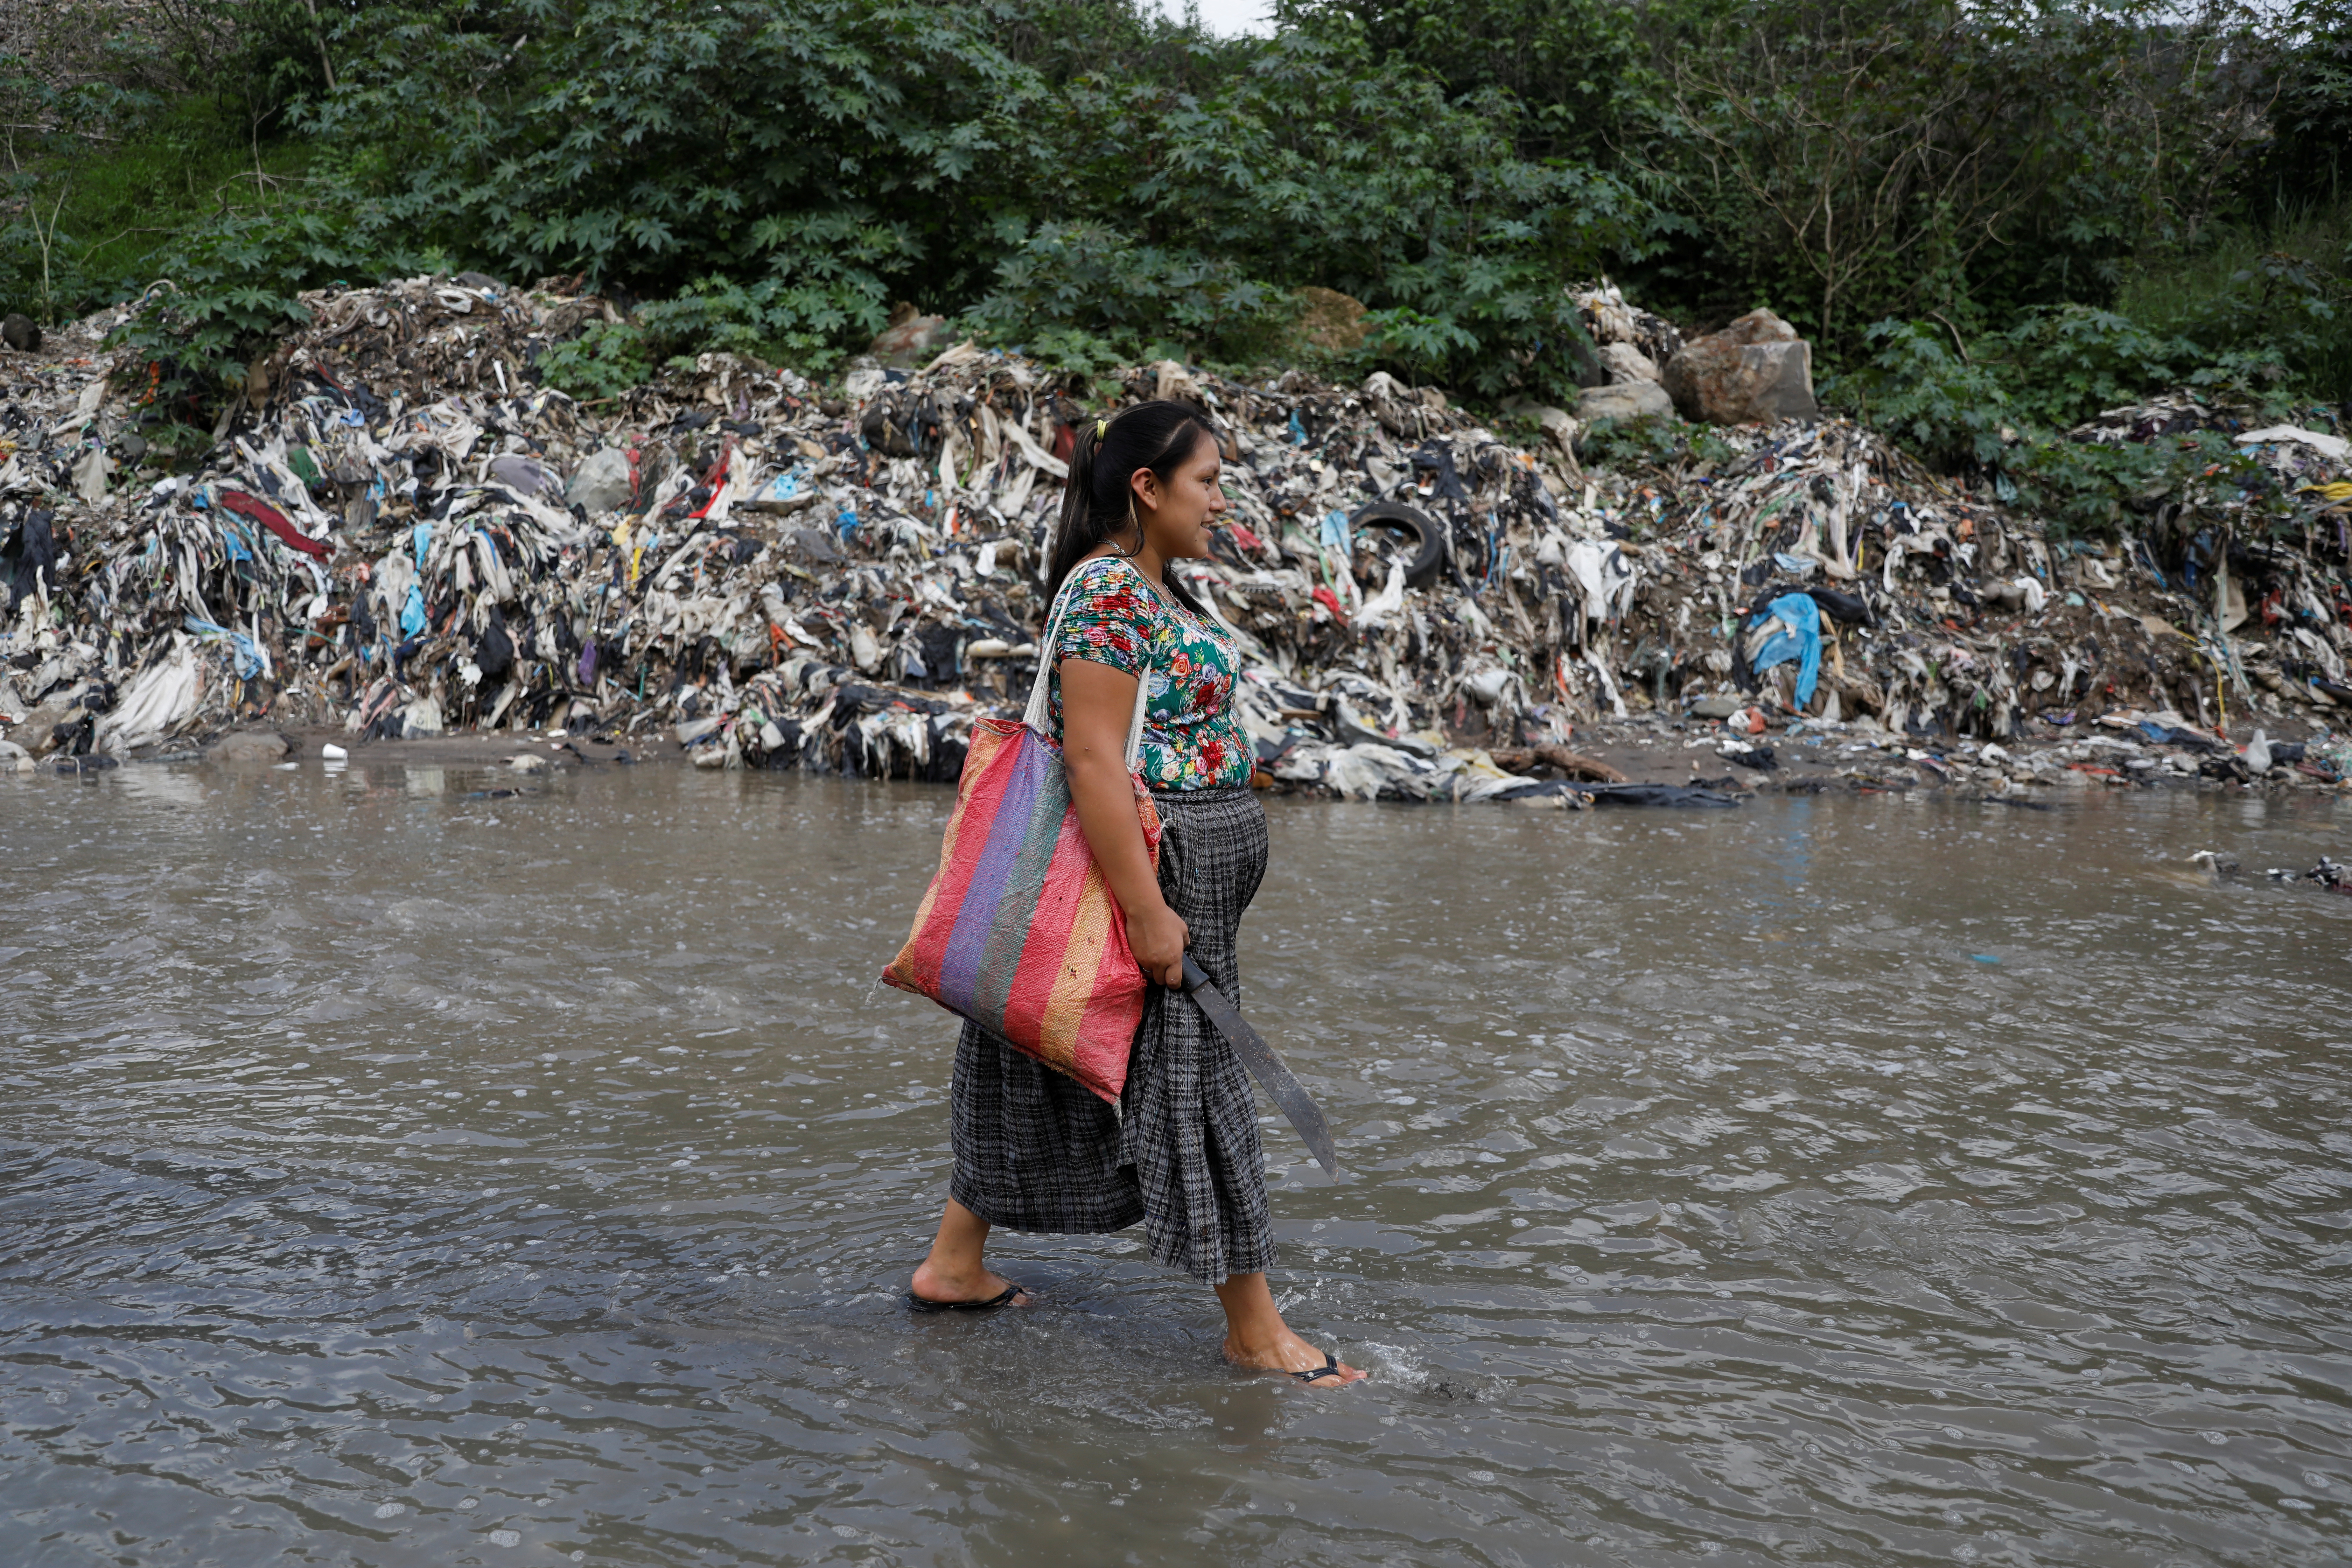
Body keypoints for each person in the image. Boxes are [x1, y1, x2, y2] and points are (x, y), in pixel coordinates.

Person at [907, 399, 1364, 1388]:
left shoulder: (1151, 586)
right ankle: (1253, 1331)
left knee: (1028, 1055)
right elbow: (1093, 762)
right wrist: (1151, 911)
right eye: (1206, 480)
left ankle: (953, 1265)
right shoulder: (1110, 594)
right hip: (1147, 881)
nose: (1220, 500)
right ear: (1147, 489)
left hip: (1174, 873)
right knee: (1198, 1086)